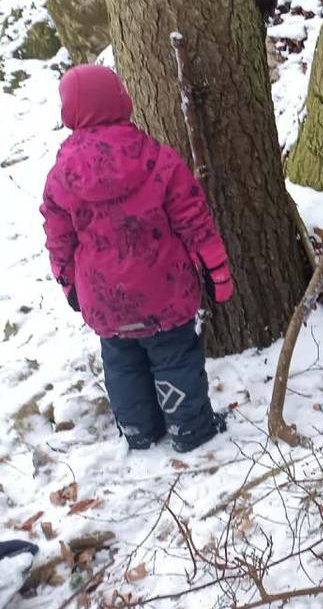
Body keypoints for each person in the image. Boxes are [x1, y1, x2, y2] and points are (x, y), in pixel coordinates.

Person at [40, 64, 232, 453]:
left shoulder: (61, 177)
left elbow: (58, 238)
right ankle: (190, 430)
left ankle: (139, 430)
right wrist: (217, 273)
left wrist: (67, 281)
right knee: (175, 357)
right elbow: (194, 221)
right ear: (119, 100)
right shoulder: (159, 160)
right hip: (164, 291)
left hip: (106, 301)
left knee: (122, 362)